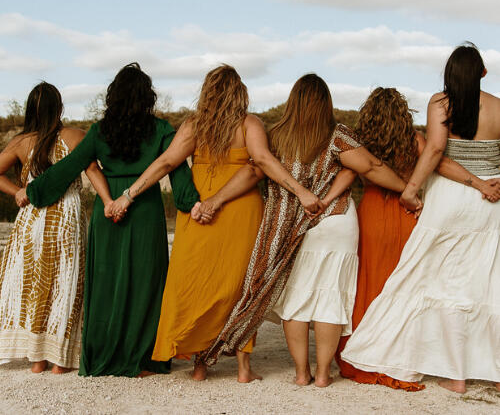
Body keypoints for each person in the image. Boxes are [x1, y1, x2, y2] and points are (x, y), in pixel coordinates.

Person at [193, 74, 413, 388]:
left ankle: (301, 373)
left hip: (290, 227)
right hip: (335, 222)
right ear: (326, 103)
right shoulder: (338, 135)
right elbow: (371, 167)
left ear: (292, 101)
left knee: (296, 298)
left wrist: (216, 200)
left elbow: (254, 170)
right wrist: (408, 190)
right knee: (330, 297)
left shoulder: (275, 136)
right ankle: (323, 374)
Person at [110, 65, 324, 383]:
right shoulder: (250, 124)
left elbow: (166, 162)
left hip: (198, 210)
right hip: (240, 209)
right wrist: (302, 192)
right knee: (240, 287)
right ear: (240, 93)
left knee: (198, 282)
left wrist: (128, 195)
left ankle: (201, 365)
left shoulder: (194, 126)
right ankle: (243, 368)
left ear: (207, 92)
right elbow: (263, 162)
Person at [341, 44, 500, 393]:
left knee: (433, 279)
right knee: (487, 281)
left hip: (450, 198)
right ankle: (495, 372)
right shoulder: (499, 106)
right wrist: (490, 182)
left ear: (449, 74)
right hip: (490, 201)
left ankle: (455, 375)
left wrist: (411, 190)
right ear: (483, 73)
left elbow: (436, 149)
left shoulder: (441, 103)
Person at [24, 64, 200, 377]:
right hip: (144, 208)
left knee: (106, 282)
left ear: (113, 96)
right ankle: (144, 359)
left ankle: (104, 354)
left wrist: (36, 191)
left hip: (107, 213)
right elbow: (175, 168)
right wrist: (191, 201)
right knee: (146, 281)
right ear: (147, 96)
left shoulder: (99, 130)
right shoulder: (161, 130)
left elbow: (73, 164)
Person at [0, 82, 111, 373]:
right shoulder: (76, 136)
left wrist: (16, 191)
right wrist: (109, 201)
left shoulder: (21, 142)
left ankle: (37, 359)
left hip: (32, 217)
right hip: (66, 215)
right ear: (60, 108)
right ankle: (60, 360)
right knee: (66, 282)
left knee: (34, 283)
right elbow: (93, 170)